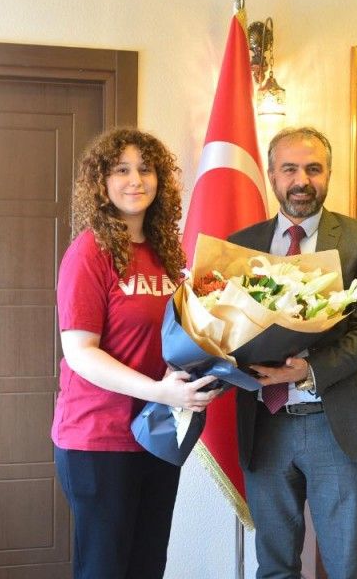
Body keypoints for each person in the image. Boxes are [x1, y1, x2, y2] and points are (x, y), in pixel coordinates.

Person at [229, 126, 357, 579]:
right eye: (289, 169)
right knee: (274, 566)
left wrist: (306, 370)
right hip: (265, 425)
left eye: (313, 169)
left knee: (347, 567)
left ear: (328, 174)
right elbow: (226, 326)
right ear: (272, 175)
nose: (301, 181)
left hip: (337, 423)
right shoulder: (240, 244)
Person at [53, 127, 218, 579]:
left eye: (146, 169)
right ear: (101, 182)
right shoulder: (90, 252)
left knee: (147, 566)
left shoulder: (167, 252)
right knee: (105, 569)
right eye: (121, 170)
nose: (136, 180)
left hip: (159, 433)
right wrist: (159, 391)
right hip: (99, 437)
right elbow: (80, 353)